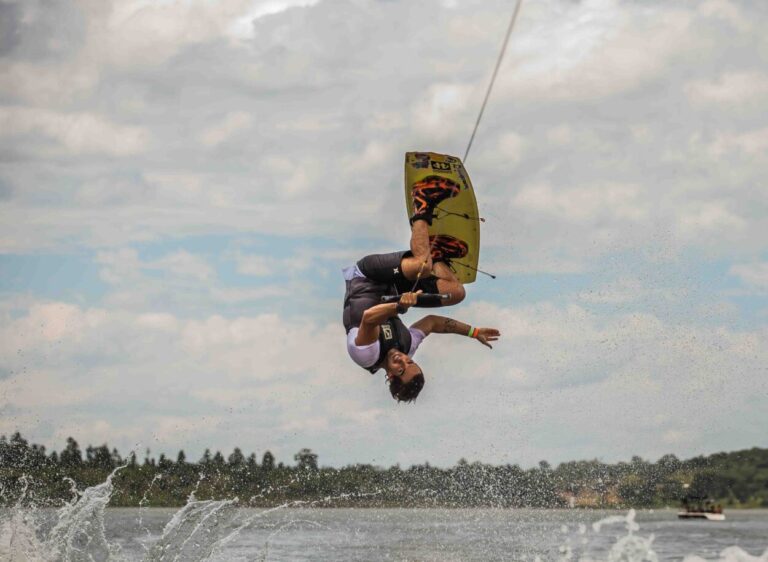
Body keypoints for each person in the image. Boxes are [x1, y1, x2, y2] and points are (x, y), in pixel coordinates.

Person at [342, 175, 501, 402]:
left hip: (367, 278)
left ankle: (423, 200)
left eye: (400, 368)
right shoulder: (407, 347)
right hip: (395, 287)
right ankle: (437, 257)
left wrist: (398, 306)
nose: (402, 360)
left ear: (390, 378)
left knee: (421, 266)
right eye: (410, 362)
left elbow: (368, 318)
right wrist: (473, 332)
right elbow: (432, 323)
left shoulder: (367, 355)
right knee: (456, 293)